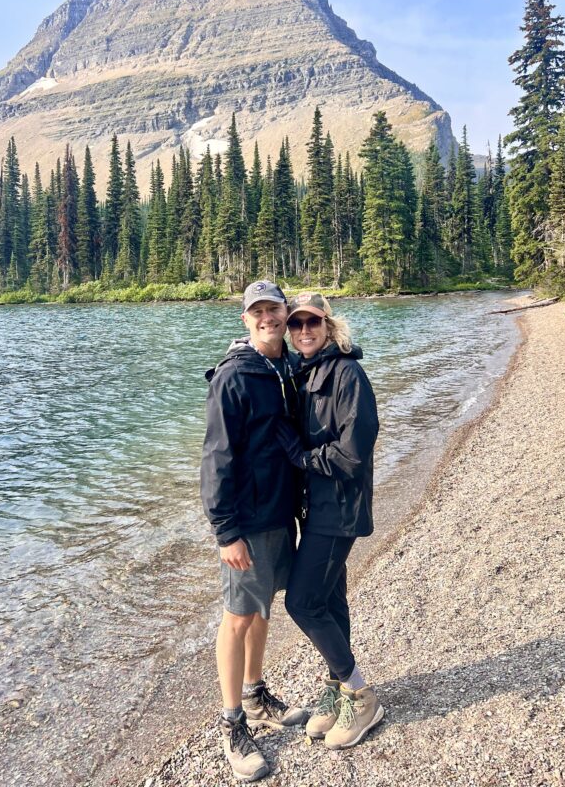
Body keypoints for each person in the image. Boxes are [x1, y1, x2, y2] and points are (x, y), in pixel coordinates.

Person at [200, 281, 308, 782]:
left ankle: (256, 693)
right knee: (238, 616)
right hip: (245, 520)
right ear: (245, 319)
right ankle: (232, 723)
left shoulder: (286, 365)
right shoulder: (234, 376)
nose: (267, 317)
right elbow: (216, 458)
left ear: (286, 313)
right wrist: (226, 533)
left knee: (262, 607)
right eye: (257, 311)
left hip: (279, 514)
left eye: (274, 309)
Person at [279, 291, 384, 749]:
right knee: (332, 599)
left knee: (302, 603)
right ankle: (338, 687)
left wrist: (302, 458)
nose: (304, 330)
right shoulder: (304, 373)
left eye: (312, 323)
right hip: (317, 507)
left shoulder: (347, 373)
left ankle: (360, 694)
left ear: (329, 326)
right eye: (297, 324)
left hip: (339, 508)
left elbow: (354, 452)